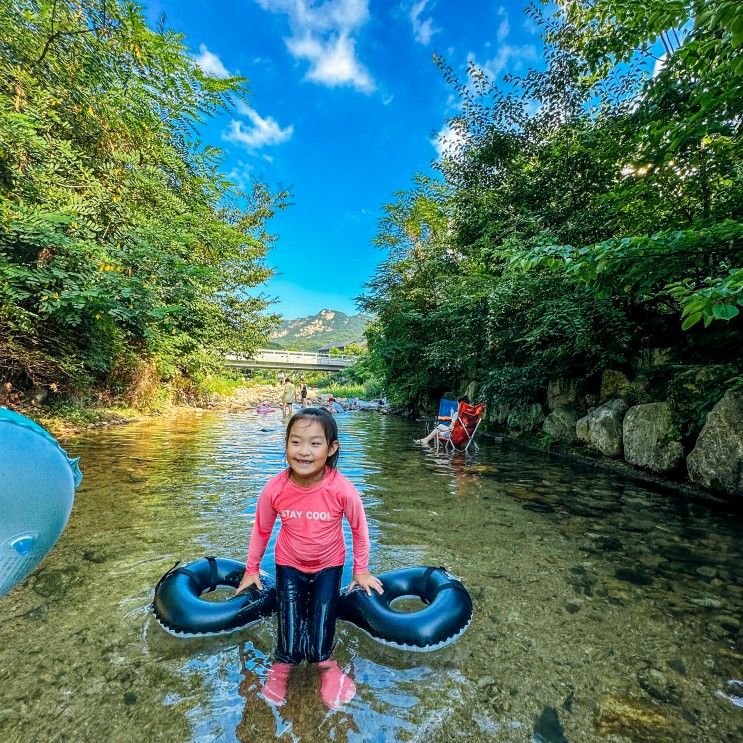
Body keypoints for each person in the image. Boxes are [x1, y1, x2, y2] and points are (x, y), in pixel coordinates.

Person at [235, 408, 383, 709]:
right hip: (289, 565)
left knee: (321, 633)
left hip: (329, 567)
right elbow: (262, 530)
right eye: (296, 442)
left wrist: (361, 571)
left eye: (315, 443)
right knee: (288, 629)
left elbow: (359, 528)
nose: (304, 451)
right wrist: (251, 570)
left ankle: (327, 667)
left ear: (331, 449)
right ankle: (282, 667)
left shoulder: (341, 488)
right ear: (286, 444)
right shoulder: (275, 488)